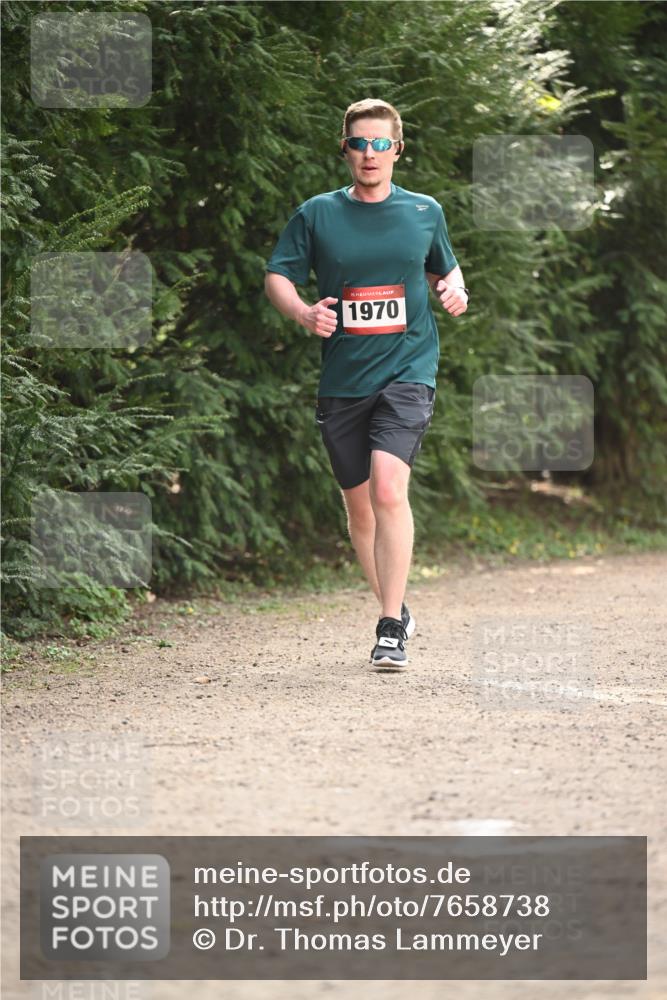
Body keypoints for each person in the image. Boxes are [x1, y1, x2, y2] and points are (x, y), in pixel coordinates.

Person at [264, 98, 468, 669]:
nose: (371, 153)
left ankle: (388, 628)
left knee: (387, 490)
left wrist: (457, 291)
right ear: (346, 149)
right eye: (361, 143)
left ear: (398, 150)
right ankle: (396, 607)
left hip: (408, 370)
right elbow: (278, 274)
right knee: (359, 510)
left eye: (382, 144)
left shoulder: (425, 210)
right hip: (344, 378)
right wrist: (304, 313)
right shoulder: (317, 214)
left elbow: (442, 268)